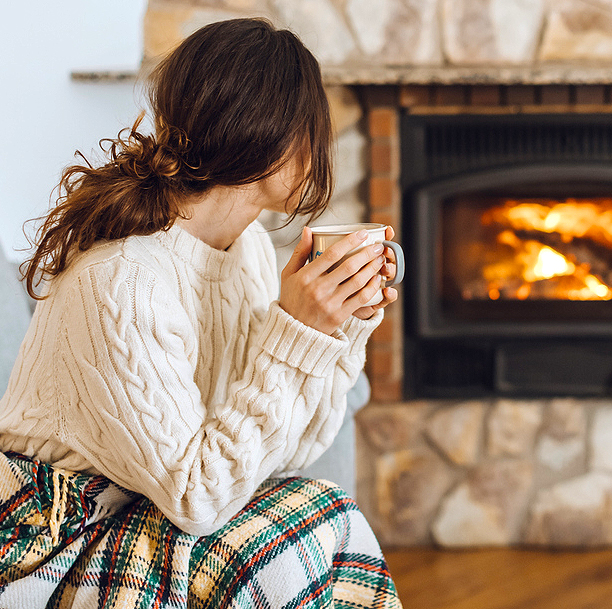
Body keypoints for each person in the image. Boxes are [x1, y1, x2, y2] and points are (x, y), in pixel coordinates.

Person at [0, 17, 402, 609]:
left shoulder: (249, 250)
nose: (323, 147)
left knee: (314, 512)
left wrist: (337, 329)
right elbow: (199, 498)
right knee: (303, 531)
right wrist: (294, 333)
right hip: (53, 538)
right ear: (269, 137)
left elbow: (287, 452)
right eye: (314, 127)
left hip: (154, 509)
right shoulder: (124, 280)